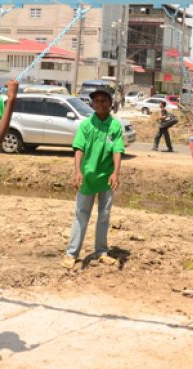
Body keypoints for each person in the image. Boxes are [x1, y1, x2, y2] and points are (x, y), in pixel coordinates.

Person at [61, 86, 124, 269]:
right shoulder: (86, 125)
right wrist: (77, 171)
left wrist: (115, 172)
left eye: (104, 100)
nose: (100, 104)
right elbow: (78, 148)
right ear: (92, 104)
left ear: (110, 103)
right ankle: (72, 254)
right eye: (96, 101)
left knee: (104, 216)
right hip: (87, 178)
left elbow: (117, 150)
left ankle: (101, 251)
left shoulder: (114, 126)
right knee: (81, 215)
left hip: (106, 179)